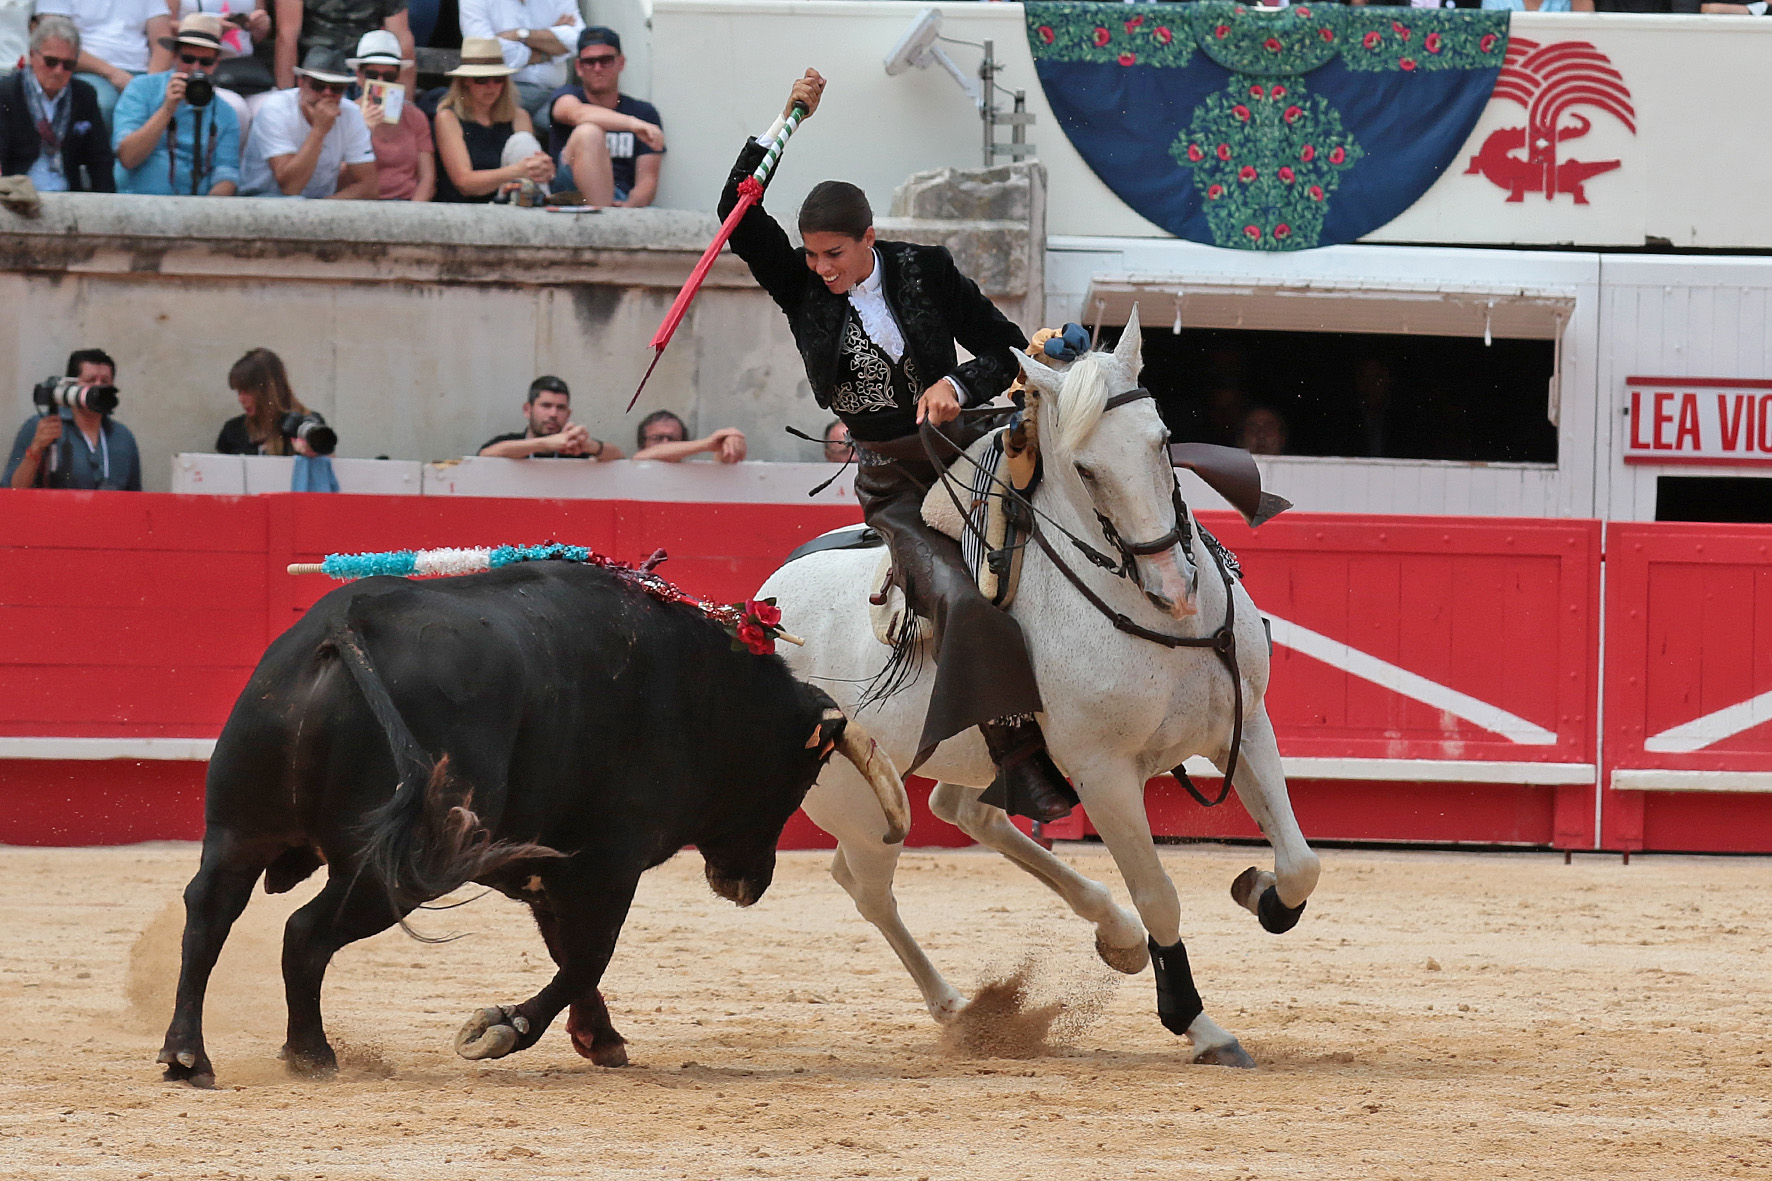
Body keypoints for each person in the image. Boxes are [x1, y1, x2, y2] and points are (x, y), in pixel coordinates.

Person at [719, 70, 1077, 823]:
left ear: (869, 238)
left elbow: (1009, 350)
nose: (821, 269)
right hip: (893, 478)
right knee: (959, 598)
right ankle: (1016, 755)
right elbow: (735, 209)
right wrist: (788, 117)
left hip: (967, 446)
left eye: (835, 254)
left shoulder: (926, 269)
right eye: (813, 254)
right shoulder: (801, 287)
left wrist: (956, 382)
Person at [112, 14, 241, 196]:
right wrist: (167, 109)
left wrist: (207, 214)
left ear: (216, 63)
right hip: (141, 205)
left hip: (198, 211)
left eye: (206, 62)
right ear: (174, 55)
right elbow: (128, 157)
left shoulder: (226, 112)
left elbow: (227, 173)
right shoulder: (141, 89)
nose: (195, 68)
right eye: (188, 59)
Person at [239, 46, 376, 198]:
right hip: (264, 199)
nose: (327, 94)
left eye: (336, 88)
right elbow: (290, 187)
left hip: (319, 203)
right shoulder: (276, 108)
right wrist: (319, 130)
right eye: (318, 86)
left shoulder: (351, 113)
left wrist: (324, 210)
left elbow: (369, 186)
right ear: (301, 82)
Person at [546, 27, 660, 208]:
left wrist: (630, 206)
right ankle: (605, 219)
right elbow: (577, 113)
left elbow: (647, 180)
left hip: (621, 199)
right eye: (589, 62)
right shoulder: (566, 95)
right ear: (578, 67)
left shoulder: (644, 112)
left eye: (605, 60)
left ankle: (608, 217)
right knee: (588, 132)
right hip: (571, 193)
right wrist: (632, 124)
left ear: (620, 63)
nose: (597, 68)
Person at [0, 16, 114, 192]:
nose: (58, 71)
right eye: (51, 62)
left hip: (68, 197)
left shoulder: (84, 94)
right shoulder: (6, 92)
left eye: (68, 64)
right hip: (17, 195)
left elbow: (100, 159)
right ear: (32, 54)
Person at [432, 37, 551, 204]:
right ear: (465, 81)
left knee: (523, 142)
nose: (491, 87)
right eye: (482, 80)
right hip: (464, 210)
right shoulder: (448, 118)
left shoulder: (519, 116)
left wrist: (543, 168)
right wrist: (518, 171)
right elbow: (464, 183)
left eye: (498, 80)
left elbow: (532, 169)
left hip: (511, 202)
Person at [4, 348, 141, 491]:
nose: (98, 388)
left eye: (105, 381)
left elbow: (136, 500)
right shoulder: (41, 426)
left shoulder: (123, 437)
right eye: (90, 380)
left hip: (108, 513)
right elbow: (11, 491)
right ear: (71, 386)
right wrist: (35, 449)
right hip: (55, 512)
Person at [32, 0, 171, 130]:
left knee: (165, 107)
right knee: (103, 106)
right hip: (90, 70)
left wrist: (150, 87)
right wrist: (113, 73)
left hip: (142, 72)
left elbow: (162, 43)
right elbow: (56, 43)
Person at [456, 0, 580, 133]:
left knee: (581, 128)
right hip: (502, 93)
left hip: (554, 94)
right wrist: (549, 45)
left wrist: (520, 34)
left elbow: (577, 40)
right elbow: (483, 51)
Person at [348, 29, 431, 200]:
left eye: (389, 76)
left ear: (398, 77)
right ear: (359, 76)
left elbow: (427, 178)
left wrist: (413, 217)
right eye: (372, 75)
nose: (380, 82)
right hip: (359, 205)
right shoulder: (345, 115)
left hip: (407, 206)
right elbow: (339, 177)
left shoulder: (415, 117)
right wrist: (363, 131)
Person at [274, 0, 415, 93]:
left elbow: (401, 39)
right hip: (316, 67)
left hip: (363, 67)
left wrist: (405, 103)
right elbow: (287, 35)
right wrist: (284, 95)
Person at [215, 346, 326, 455]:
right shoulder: (233, 430)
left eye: (247, 391)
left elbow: (330, 466)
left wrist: (313, 451)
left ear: (268, 391)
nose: (240, 399)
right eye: (239, 391)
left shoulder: (307, 424)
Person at [478, 376, 621, 459]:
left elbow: (619, 457)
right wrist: (545, 444)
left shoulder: (574, 450)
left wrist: (590, 446)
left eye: (561, 408)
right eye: (546, 406)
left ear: (568, 414)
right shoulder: (509, 443)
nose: (553, 414)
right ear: (528, 410)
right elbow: (484, 455)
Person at [632, 410, 745, 463]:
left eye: (672, 439)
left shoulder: (693, 476)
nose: (666, 444)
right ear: (642, 444)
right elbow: (640, 458)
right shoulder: (630, 473)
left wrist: (730, 441)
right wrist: (708, 443)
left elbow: (722, 470)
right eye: (657, 438)